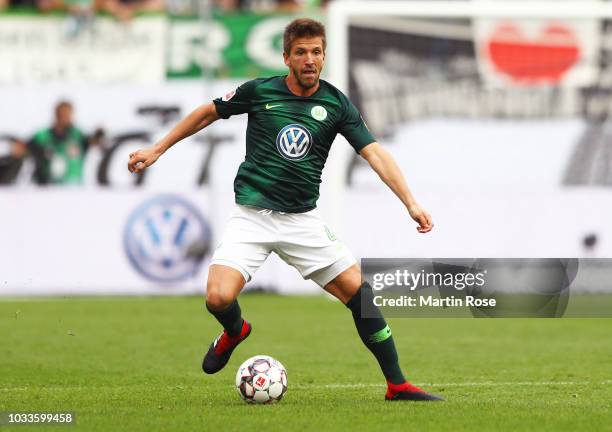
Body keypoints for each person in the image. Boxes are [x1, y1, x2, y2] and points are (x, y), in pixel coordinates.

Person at [128, 18, 442, 402]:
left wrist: (410, 202)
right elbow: (207, 112)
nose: (310, 59)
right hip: (251, 218)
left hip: (302, 222)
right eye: (301, 52)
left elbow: (374, 153)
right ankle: (235, 331)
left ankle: (398, 384)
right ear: (286, 57)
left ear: (324, 55)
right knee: (217, 298)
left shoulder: (336, 103)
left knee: (361, 296)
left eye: (316, 52)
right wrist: (157, 149)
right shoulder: (259, 92)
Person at [30, 101, 89, 185]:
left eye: (67, 114)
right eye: (61, 114)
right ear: (56, 114)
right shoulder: (42, 136)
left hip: (73, 186)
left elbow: (93, 142)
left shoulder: (79, 136)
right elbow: (24, 147)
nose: (64, 117)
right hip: (47, 186)